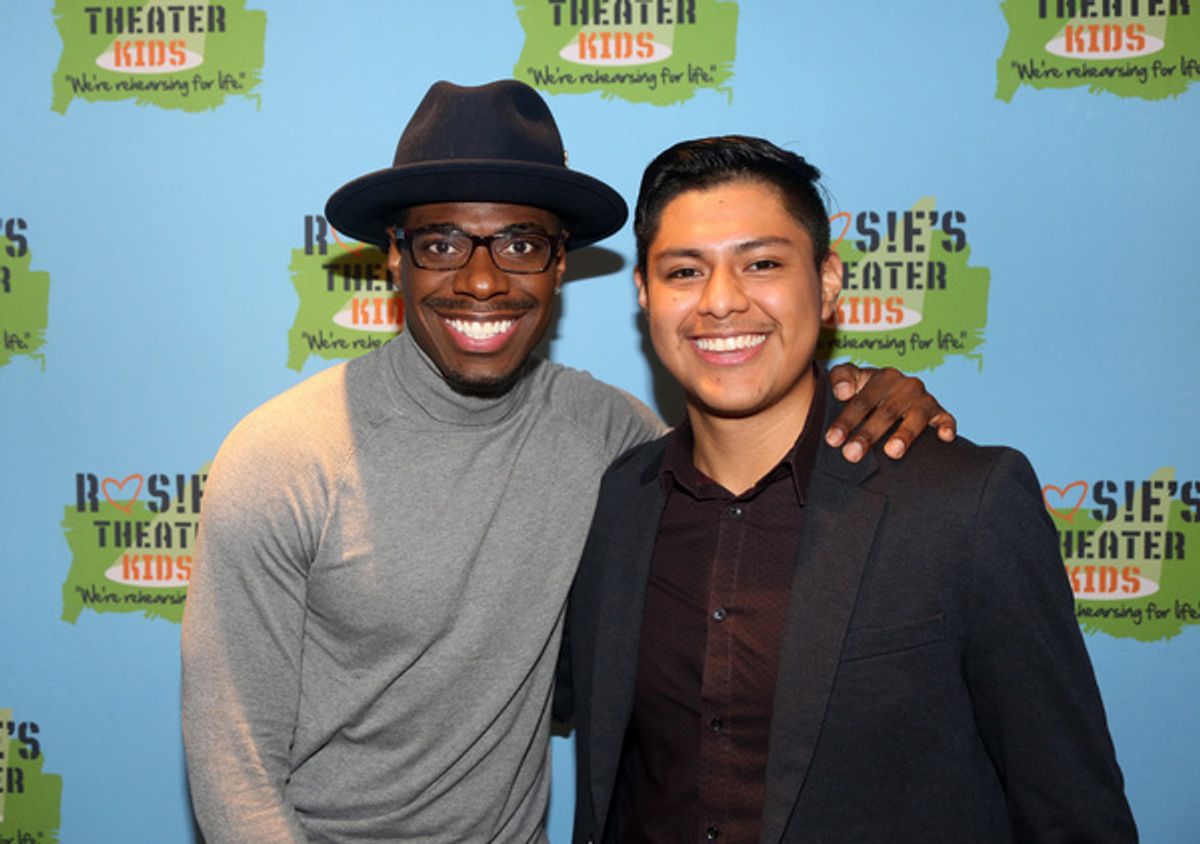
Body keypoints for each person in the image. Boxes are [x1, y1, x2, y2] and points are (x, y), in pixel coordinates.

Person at [181, 81, 953, 843]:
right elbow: (232, 770)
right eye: (441, 242)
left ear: (560, 265)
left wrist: (854, 393)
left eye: (520, 244)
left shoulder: (614, 441)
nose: (481, 281)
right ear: (393, 259)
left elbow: (745, 478)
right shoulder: (283, 458)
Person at [555, 136, 1137, 843]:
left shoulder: (966, 504)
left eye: (762, 263)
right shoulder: (618, 503)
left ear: (827, 282)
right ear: (645, 293)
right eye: (684, 271)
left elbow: (1072, 812)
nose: (721, 302)